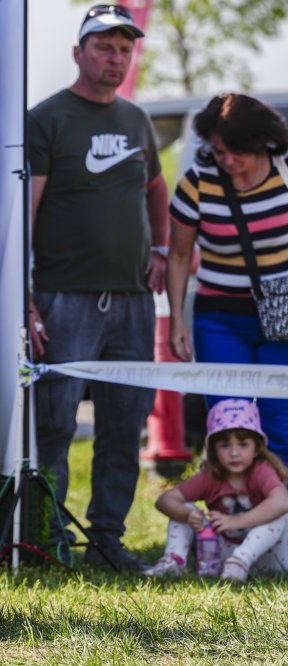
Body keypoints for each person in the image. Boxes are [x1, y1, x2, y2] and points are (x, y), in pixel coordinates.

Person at [28, 4, 169, 570]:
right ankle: (50, 540)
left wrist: (160, 250)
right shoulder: (47, 119)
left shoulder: (137, 120)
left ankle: (108, 540)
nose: (116, 58)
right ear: (78, 53)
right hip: (64, 298)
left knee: (125, 424)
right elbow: (25, 213)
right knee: (55, 423)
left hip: (133, 301)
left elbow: (156, 188)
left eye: (124, 49)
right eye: (104, 47)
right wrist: (26, 297)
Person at [166, 93, 288, 465]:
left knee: (281, 423)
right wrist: (177, 320)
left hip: (282, 321)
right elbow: (179, 255)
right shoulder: (197, 184)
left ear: (262, 142)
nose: (229, 161)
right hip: (220, 321)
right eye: (220, 151)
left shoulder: (284, 172)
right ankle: (234, 502)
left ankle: (278, 499)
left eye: (239, 151)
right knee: (227, 425)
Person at [146, 399, 288, 580]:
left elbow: (282, 501)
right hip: (222, 557)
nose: (234, 453)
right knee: (184, 508)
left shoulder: (261, 471)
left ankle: (240, 561)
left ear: (257, 447)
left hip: (268, 559)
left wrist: (237, 521)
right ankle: (173, 562)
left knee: (280, 514)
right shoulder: (211, 476)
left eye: (243, 444)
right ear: (213, 449)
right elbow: (164, 501)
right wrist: (188, 516)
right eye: (225, 445)